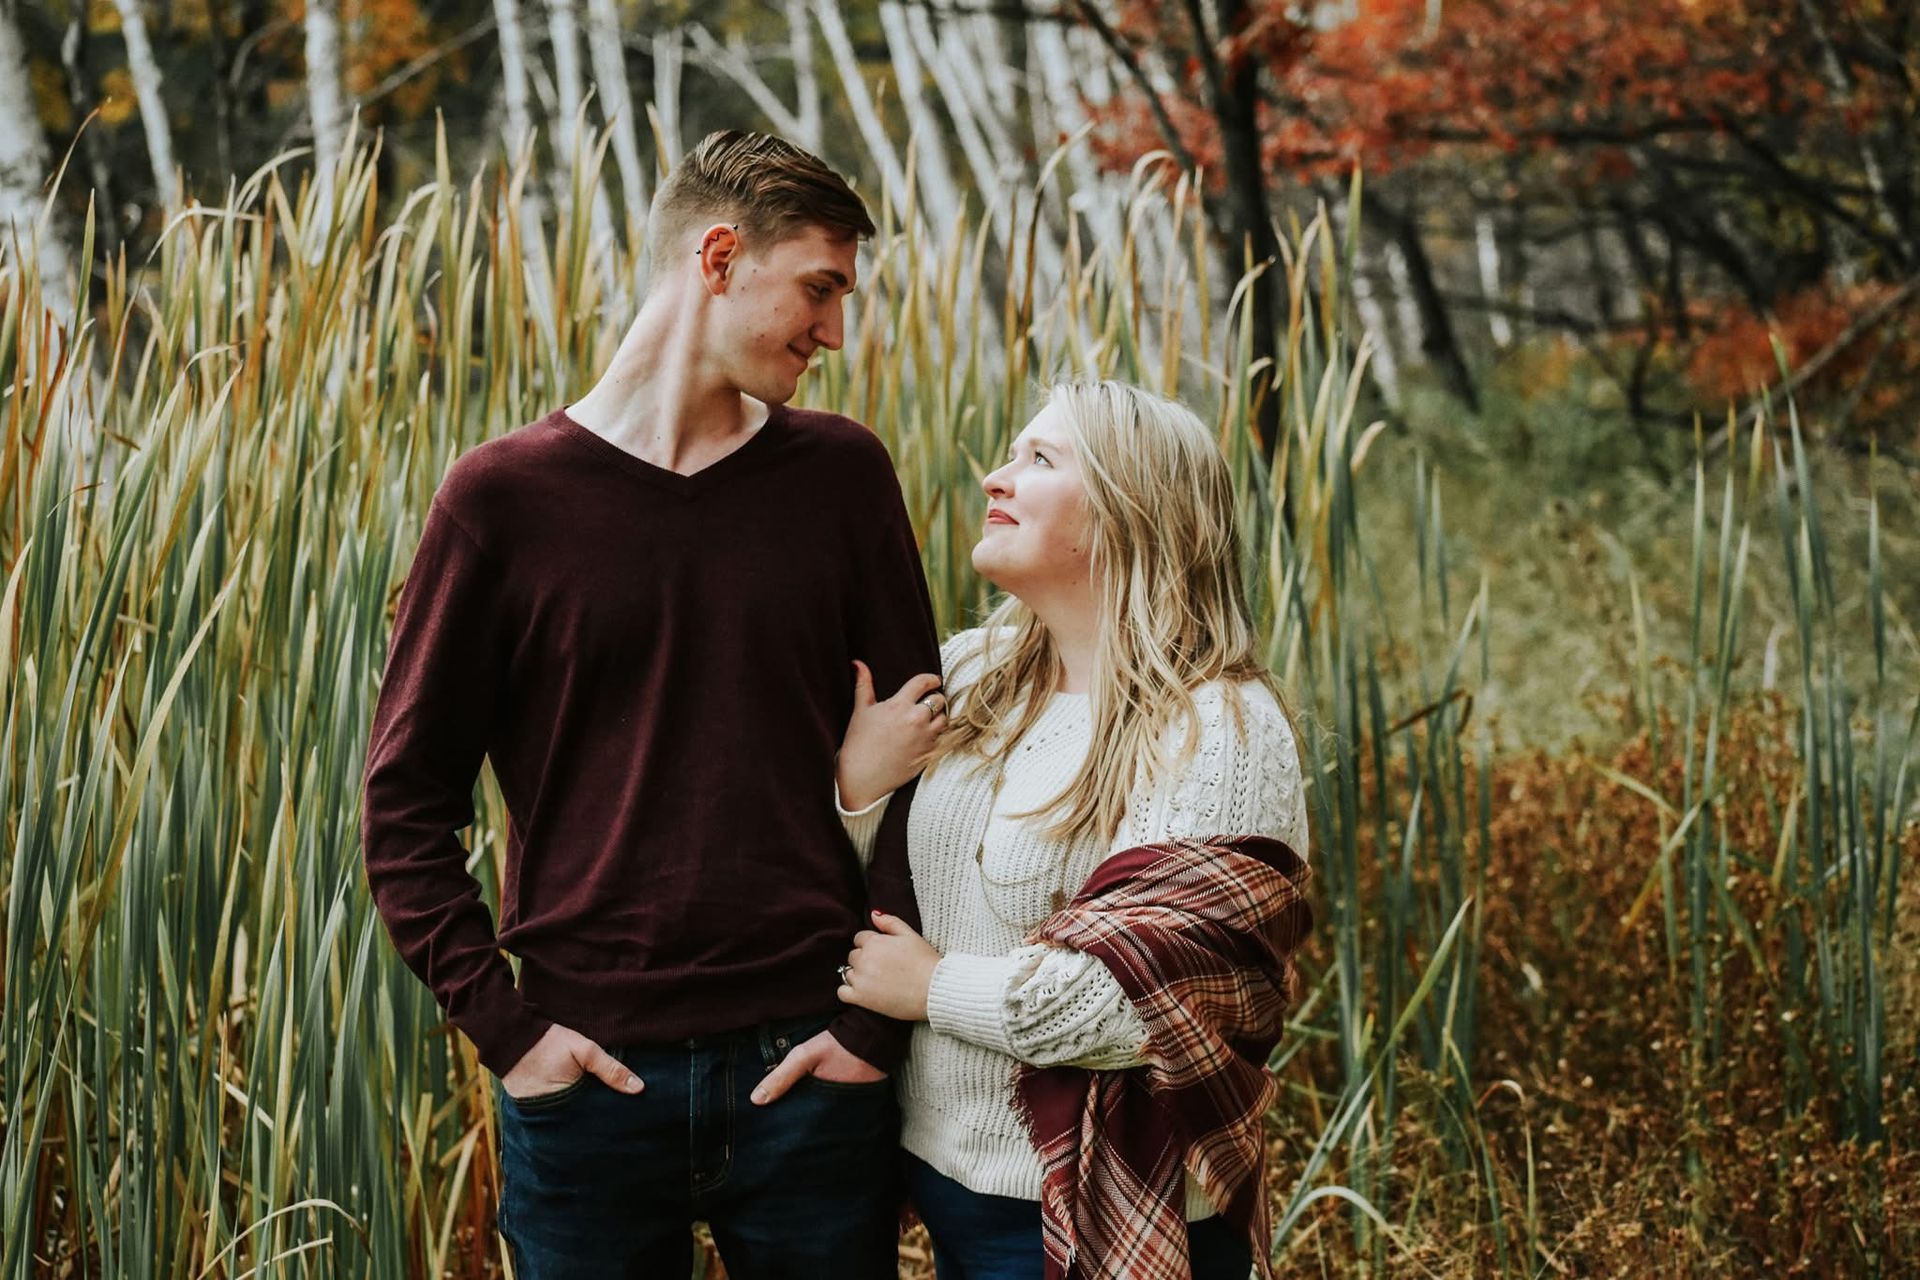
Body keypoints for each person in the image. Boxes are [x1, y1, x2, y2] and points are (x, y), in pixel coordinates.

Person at [360, 130, 941, 1278]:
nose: (834, 332)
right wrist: (511, 1035)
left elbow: (935, 764)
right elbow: (406, 802)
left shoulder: (842, 478)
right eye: (818, 290)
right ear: (720, 256)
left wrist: (869, 1033)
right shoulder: (502, 501)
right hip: (589, 1092)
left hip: (810, 1077)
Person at [771, 380, 1314, 1278]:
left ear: (1129, 511)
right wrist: (858, 792)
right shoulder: (976, 674)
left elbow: (1145, 1002)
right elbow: (894, 886)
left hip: (1100, 1211)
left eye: (1039, 460)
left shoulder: (1215, 726)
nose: (995, 476)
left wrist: (933, 989)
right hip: (942, 1180)